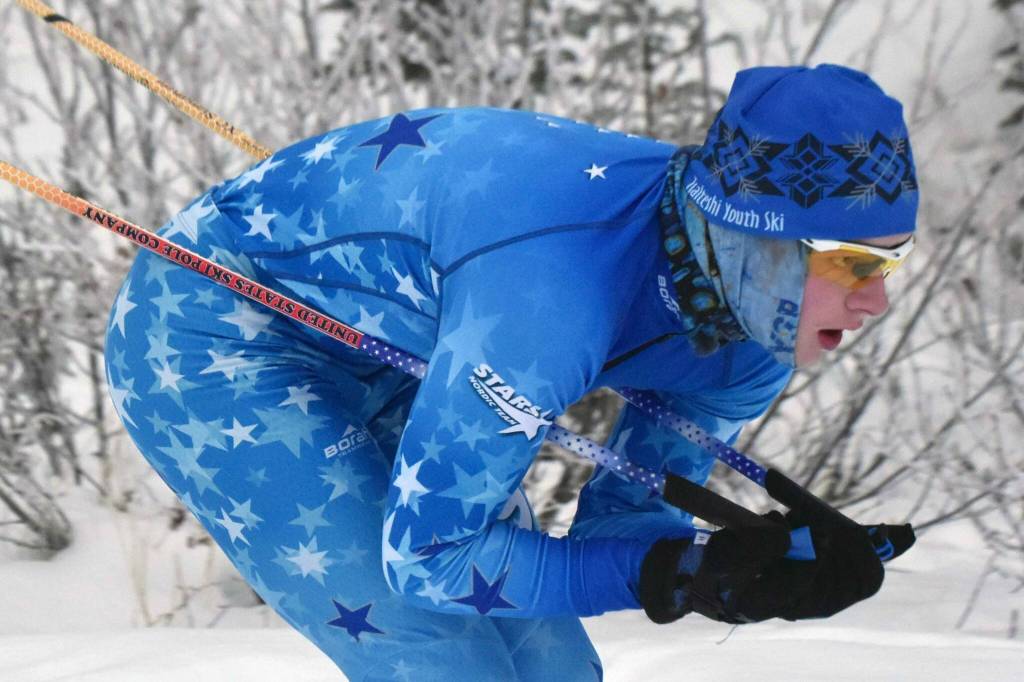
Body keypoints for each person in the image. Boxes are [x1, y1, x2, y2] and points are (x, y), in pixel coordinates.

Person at [104, 63, 918, 680]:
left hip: (399, 344)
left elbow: (619, 527)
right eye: (850, 264)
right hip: (215, 330)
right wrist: (677, 570)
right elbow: (433, 560)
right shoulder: (550, 304)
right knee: (441, 654)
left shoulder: (749, 338)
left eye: (889, 263)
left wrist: (732, 571)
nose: (875, 302)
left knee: (559, 671)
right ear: (755, 239)